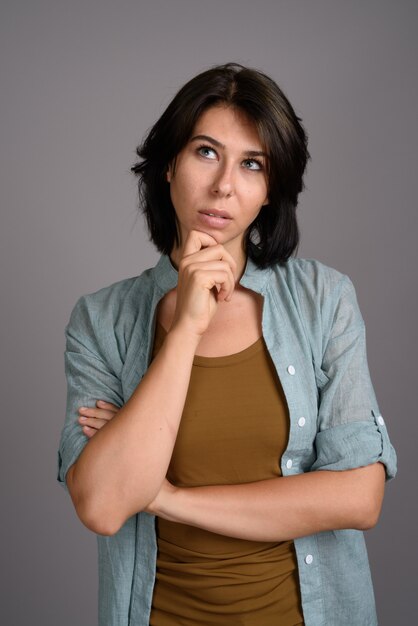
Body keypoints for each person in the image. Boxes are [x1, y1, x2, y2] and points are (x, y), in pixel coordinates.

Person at [57, 63, 397, 626]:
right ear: (169, 164)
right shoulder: (101, 320)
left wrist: (165, 497)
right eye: (206, 152)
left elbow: (359, 498)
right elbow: (102, 505)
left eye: (252, 164)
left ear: (269, 191)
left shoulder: (324, 300)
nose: (223, 187)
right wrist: (185, 329)